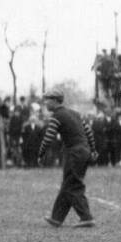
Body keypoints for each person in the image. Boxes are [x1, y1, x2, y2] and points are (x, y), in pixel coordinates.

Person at [38, 90, 97, 228]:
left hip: (74, 153)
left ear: (55, 101)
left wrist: (41, 154)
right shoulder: (75, 114)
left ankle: (86, 217)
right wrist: (93, 150)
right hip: (84, 151)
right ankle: (56, 218)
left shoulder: (57, 116)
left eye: (47, 99)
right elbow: (88, 131)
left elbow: (48, 138)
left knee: (73, 186)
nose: (45, 102)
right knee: (67, 185)